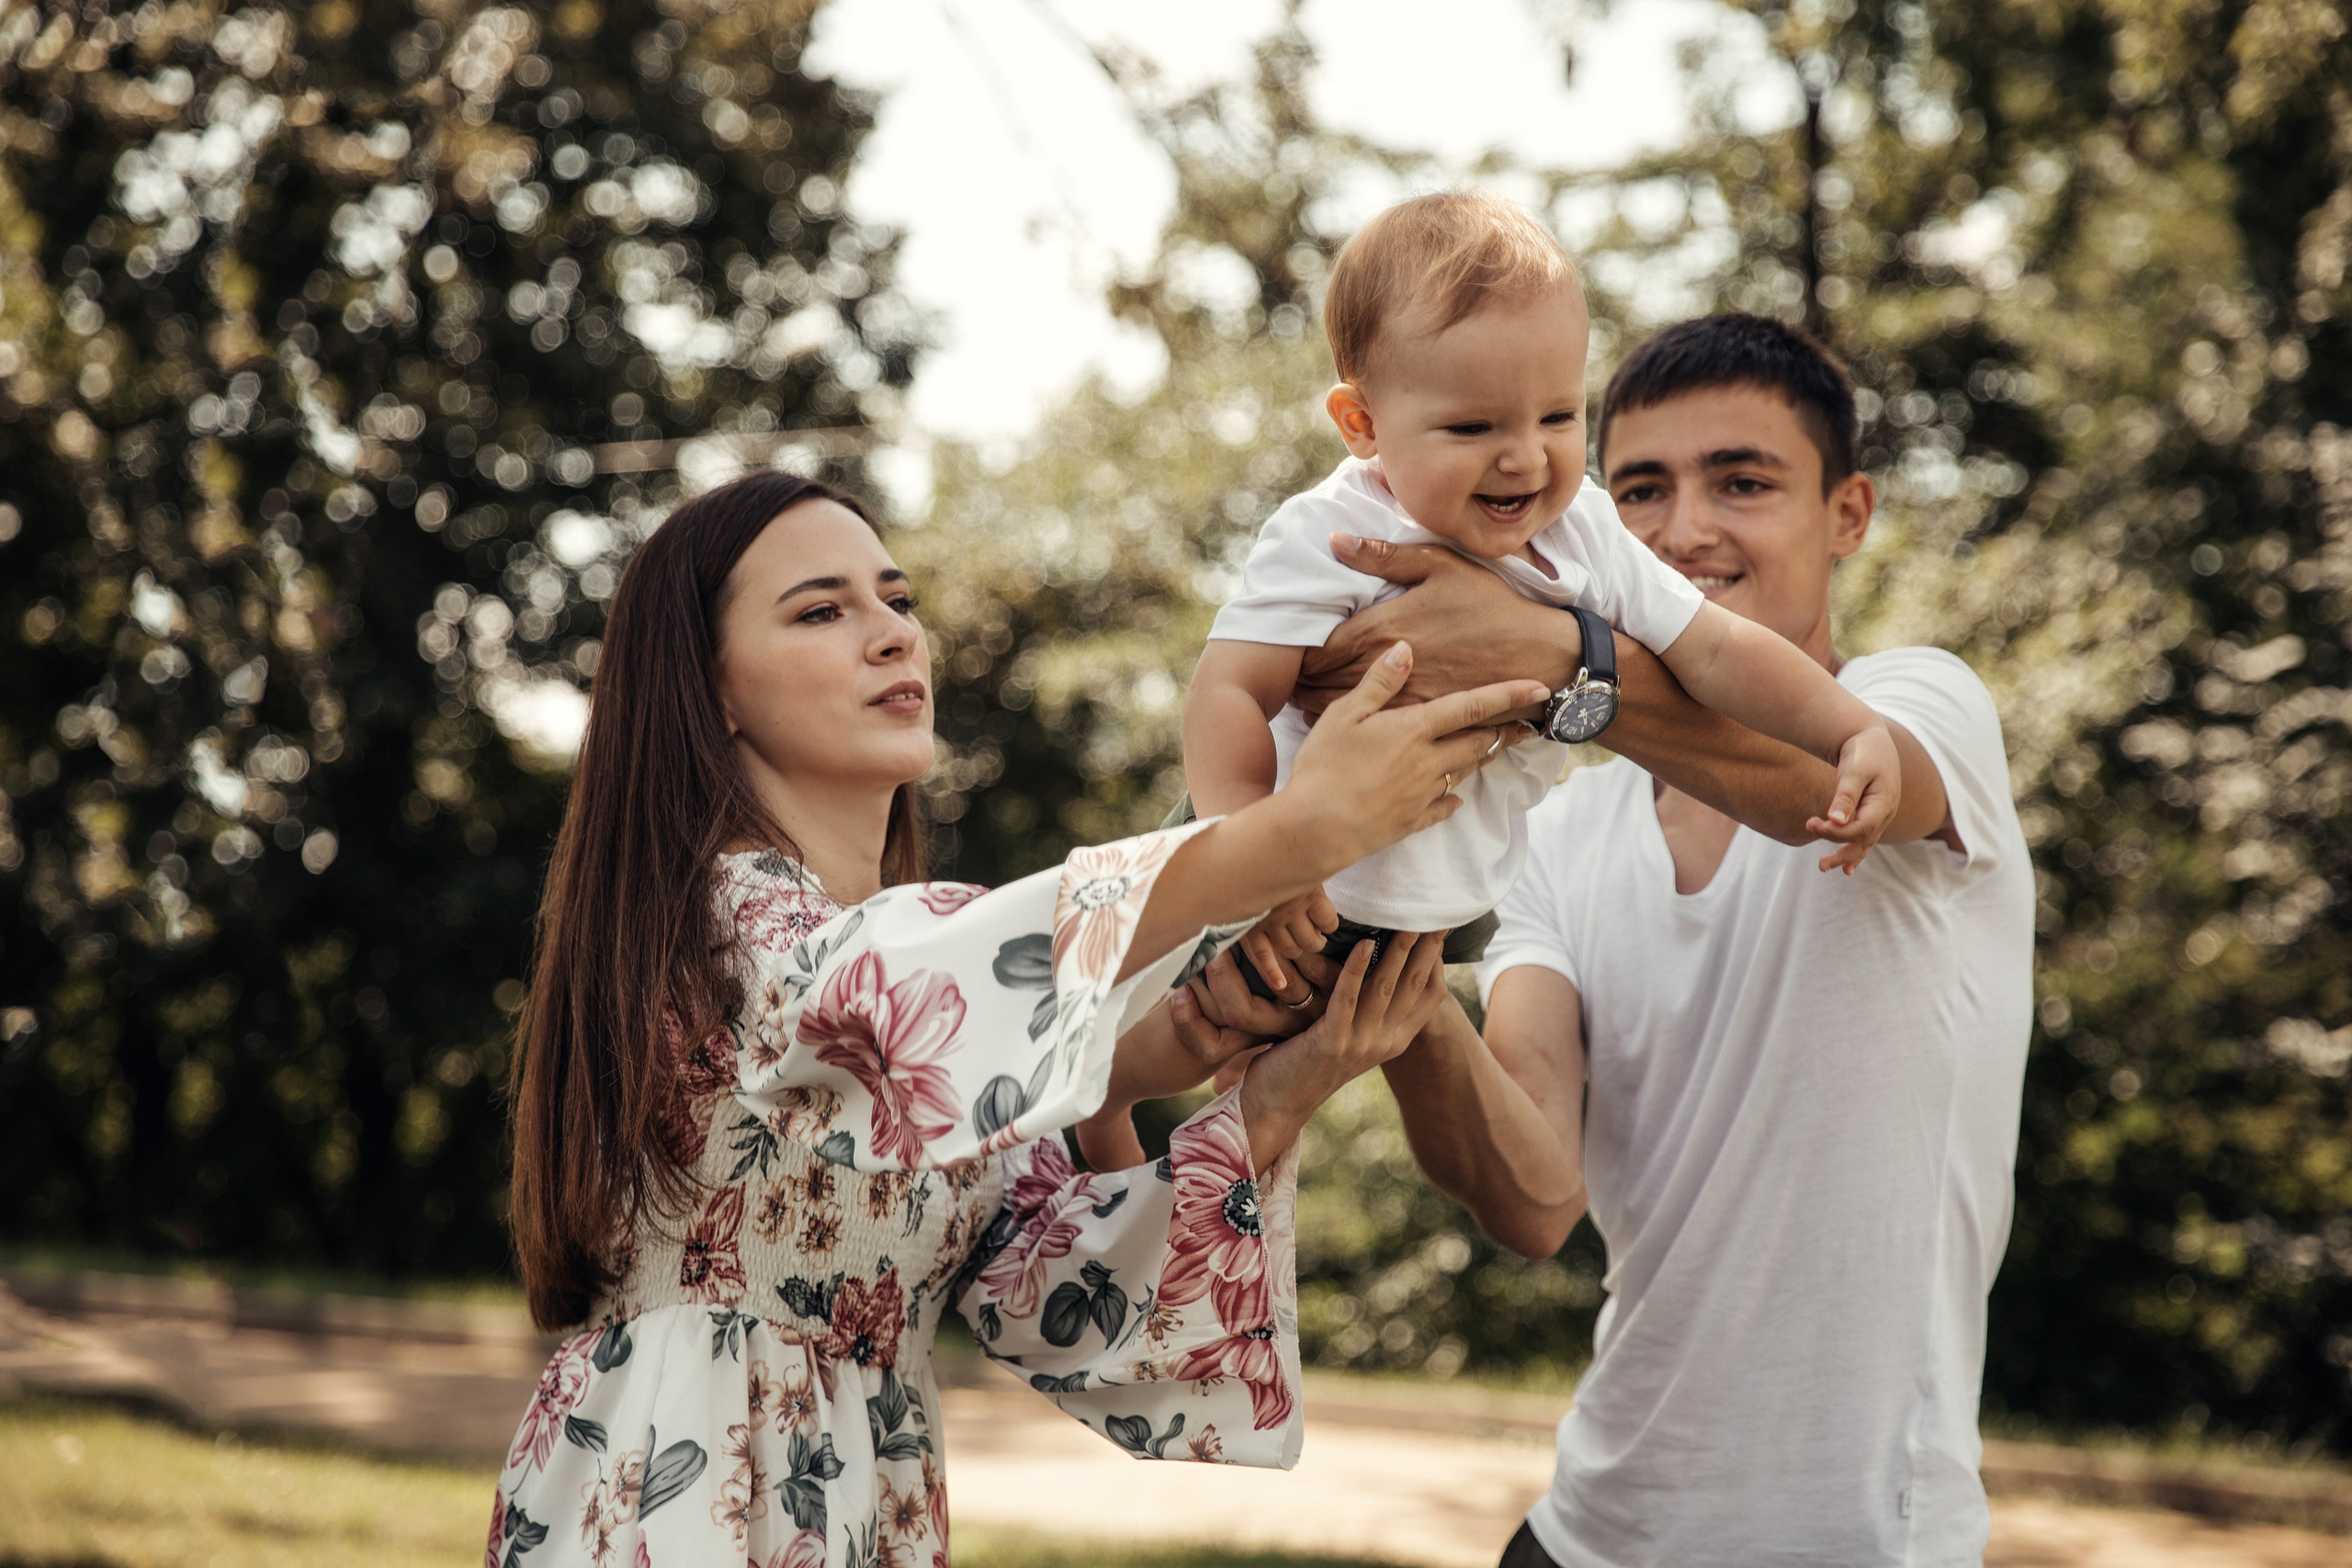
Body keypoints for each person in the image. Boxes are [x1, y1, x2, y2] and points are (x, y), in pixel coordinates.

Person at [490, 471, 1549, 1567]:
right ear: (710, 691)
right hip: (686, 1486)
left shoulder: (897, 984)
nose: (892, 635)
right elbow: (902, 983)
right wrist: (1297, 832)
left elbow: (1063, 1299)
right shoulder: (725, 923)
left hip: (870, 1496)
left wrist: (1277, 1086)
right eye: (822, 610)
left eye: (897, 601)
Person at [1342, 313, 2034, 1566]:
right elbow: (1535, 1193)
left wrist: (1554, 657)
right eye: (1643, 488)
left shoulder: (1920, 706)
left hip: (1858, 1540)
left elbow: (1808, 784)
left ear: (1848, 513)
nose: (1682, 528)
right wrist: (1390, 968)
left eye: (1744, 481)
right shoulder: (1555, 829)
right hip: (1584, 1532)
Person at [1181, 192, 1901, 1002]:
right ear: (1362, 423)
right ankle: (1120, 1112)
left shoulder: (1583, 528)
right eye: (1472, 429)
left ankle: (1242, 1122)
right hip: (1281, 867)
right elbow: (1230, 690)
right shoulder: (1332, 534)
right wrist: (1249, 855)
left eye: (1558, 415)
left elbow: (1717, 647)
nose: (1525, 459)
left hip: (1435, 904)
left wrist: (1853, 729)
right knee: (1187, 1022)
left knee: (1324, 1038)